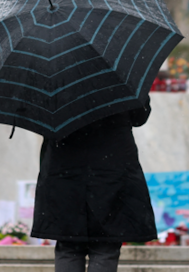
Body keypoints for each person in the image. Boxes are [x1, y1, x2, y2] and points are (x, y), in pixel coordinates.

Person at [30, 102, 156, 272]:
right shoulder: (118, 80)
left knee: (69, 246)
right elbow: (139, 116)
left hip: (65, 174)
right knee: (105, 246)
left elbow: (39, 120)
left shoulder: (54, 84)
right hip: (111, 174)